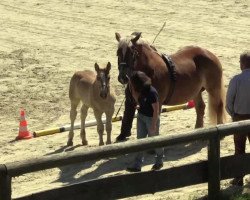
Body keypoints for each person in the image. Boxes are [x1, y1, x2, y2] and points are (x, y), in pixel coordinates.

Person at [126, 71, 164, 172]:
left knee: (155, 141)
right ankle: (137, 165)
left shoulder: (152, 92)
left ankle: (159, 160)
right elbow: (139, 100)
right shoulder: (139, 90)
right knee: (140, 140)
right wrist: (137, 101)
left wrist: (153, 125)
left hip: (151, 118)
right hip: (141, 116)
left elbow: (156, 110)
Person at [226, 51, 250, 186]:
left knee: (239, 149)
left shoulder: (236, 80)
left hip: (239, 118)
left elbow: (229, 102)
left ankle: (239, 178)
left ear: (242, 64)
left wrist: (233, 115)